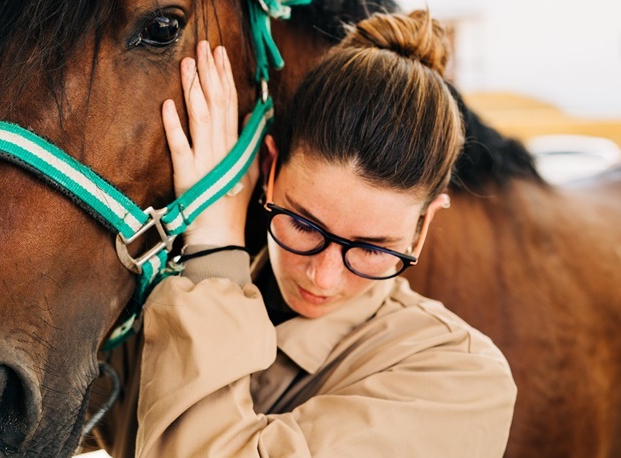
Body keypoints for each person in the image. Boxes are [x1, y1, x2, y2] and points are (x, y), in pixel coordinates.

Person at [134, 10, 516, 457]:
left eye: (372, 248)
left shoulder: (461, 379)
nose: (324, 277)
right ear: (270, 169)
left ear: (423, 226)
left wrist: (215, 247)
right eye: (303, 224)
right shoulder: (162, 299)